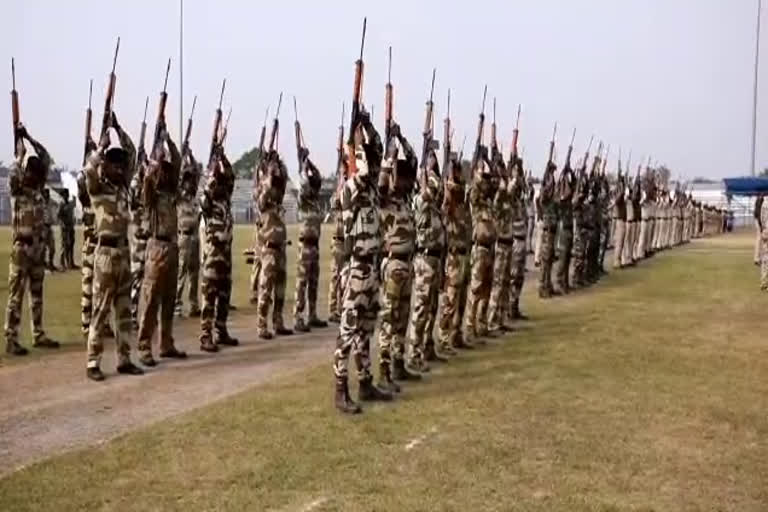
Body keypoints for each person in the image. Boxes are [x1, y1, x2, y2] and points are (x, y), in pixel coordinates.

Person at [333, 108, 392, 414]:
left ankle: (366, 382)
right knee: (348, 330)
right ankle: (340, 388)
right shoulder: (350, 188)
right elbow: (366, 168)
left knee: (366, 329)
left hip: (372, 268)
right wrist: (355, 139)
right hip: (356, 268)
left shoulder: (368, 193)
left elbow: (378, 160)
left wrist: (368, 127)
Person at [83, 113, 143, 380]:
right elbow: (87, 170)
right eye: (113, 163)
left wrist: (117, 127)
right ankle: (93, 362)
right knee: (101, 309)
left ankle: (124, 358)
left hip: (123, 252)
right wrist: (100, 147)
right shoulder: (98, 188)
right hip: (105, 254)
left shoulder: (122, 189)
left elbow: (133, 155)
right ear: (105, 165)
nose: (119, 168)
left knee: (123, 310)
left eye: (121, 164)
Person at [4, 124, 61, 355]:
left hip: (38, 249)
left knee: (37, 295)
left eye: (37, 174)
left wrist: (29, 138)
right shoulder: (17, 191)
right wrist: (20, 156)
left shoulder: (38, 190)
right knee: (16, 295)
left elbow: (46, 157)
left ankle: (38, 334)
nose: (35, 176)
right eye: (31, 172)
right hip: (22, 249)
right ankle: (11, 338)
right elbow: (13, 174)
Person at [136, 122, 188, 366]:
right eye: (162, 170)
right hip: (156, 248)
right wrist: (153, 162)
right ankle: (144, 346)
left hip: (173, 247)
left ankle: (166, 343)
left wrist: (168, 140)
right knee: (150, 301)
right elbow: (147, 181)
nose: (166, 173)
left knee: (168, 299)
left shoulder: (170, 193)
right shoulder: (151, 196)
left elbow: (177, 162)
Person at [376, 123, 419, 392]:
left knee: (402, 317)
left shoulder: (405, 201)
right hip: (392, 264)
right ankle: (383, 370)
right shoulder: (385, 199)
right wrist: (390, 152)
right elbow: (381, 181)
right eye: (398, 177)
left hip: (408, 264)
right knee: (389, 318)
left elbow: (414, 161)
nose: (404, 181)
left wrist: (402, 139)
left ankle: (398, 363)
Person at [198, 142, 239, 352]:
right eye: (219, 182)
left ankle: (221, 330)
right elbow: (205, 195)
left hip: (226, 252)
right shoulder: (210, 201)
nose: (223, 185)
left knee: (224, 293)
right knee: (210, 293)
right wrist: (213, 168)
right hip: (213, 251)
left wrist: (223, 159)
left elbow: (231, 177)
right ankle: (205, 335)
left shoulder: (226, 199)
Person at [410, 149, 447, 371]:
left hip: (435, 258)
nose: (434, 161)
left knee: (432, 306)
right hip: (424, 259)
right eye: (430, 157)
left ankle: (427, 347)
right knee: (421, 309)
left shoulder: (433, 204)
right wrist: (425, 172)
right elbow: (432, 190)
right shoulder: (420, 200)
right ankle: (414, 354)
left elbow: (439, 192)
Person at [255, 150, 293, 339]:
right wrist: (268, 173)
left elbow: (282, 181)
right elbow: (266, 191)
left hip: (281, 248)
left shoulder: (277, 199)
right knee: (266, 287)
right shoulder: (261, 198)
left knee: (280, 289)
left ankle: (278, 322)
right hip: (269, 248)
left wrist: (279, 165)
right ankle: (261, 325)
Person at [438, 152, 471, 352]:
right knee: (450, 300)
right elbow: (450, 189)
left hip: (464, 253)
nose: (460, 176)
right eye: (457, 172)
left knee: (461, 300)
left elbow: (463, 188)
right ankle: (443, 339)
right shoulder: (449, 204)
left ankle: (456, 335)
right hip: (453, 256)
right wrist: (450, 172)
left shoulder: (462, 204)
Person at [293, 144, 327, 332]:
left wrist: (309, 162)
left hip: (315, 246)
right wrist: (303, 163)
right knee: (302, 281)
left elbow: (317, 178)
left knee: (313, 281)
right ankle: (298, 316)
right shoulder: (303, 199)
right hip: (305, 245)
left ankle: (312, 315)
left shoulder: (314, 200)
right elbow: (305, 183)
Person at [463, 148, 496, 344]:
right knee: (475, 290)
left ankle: (482, 324)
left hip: (490, 248)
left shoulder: (488, 202)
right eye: (483, 180)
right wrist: (477, 166)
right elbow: (474, 188)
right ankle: (469, 326)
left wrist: (489, 162)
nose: (485, 183)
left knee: (486, 289)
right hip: (479, 248)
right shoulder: (475, 201)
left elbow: (496, 181)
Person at [487, 146, 514, 332]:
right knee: (497, 284)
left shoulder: (507, 199)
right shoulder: (497, 199)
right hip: (500, 244)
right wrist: (502, 188)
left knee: (505, 284)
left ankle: (501, 318)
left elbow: (513, 191)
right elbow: (497, 205)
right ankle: (492, 320)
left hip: (508, 243)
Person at [175, 146, 201, 318]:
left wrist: (191, 156)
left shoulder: (192, 197)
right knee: (181, 272)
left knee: (194, 272)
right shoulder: (180, 196)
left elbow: (197, 174)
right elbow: (178, 178)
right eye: (189, 181)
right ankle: (177, 304)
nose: (192, 183)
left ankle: (193, 304)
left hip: (194, 237)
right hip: (183, 237)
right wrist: (183, 157)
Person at [553, 156, 575, 293]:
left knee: (567, 258)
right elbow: (567, 192)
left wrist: (570, 171)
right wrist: (565, 176)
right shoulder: (560, 196)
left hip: (568, 227)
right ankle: (559, 283)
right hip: (562, 228)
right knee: (562, 257)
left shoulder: (566, 194)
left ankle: (565, 282)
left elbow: (573, 187)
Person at [537, 159, 558, 297]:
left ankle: (548, 286)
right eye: (551, 172)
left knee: (549, 260)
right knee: (545, 261)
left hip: (552, 230)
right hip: (547, 231)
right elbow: (543, 196)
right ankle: (542, 288)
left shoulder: (550, 196)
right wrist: (549, 182)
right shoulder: (544, 195)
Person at [58, 189, 77, 270]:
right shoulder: (61, 204)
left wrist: (74, 197)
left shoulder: (69, 204)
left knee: (71, 244)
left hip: (71, 226)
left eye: (67, 194)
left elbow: (74, 203)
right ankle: (62, 263)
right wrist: (62, 223)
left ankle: (71, 263)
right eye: (65, 195)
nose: (67, 196)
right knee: (64, 245)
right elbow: (58, 215)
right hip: (64, 227)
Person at [41, 188, 58, 271]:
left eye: (48, 193)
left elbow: (56, 203)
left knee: (52, 247)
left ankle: (51, 263)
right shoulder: (40, 202)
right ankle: (43, 264)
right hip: (42, 227)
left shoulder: (51, 202)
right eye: (45, 193)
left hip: (49, 226)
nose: (47, 195)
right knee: (42, 247)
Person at [754, 195, 763, 266]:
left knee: (760, 239)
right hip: (759, 220)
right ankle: (757, 258)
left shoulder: (760, 198)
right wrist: (761, 225)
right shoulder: (761, 198)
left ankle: (758, 258)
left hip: (759, 219)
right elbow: (758, 213)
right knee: (760, 238)